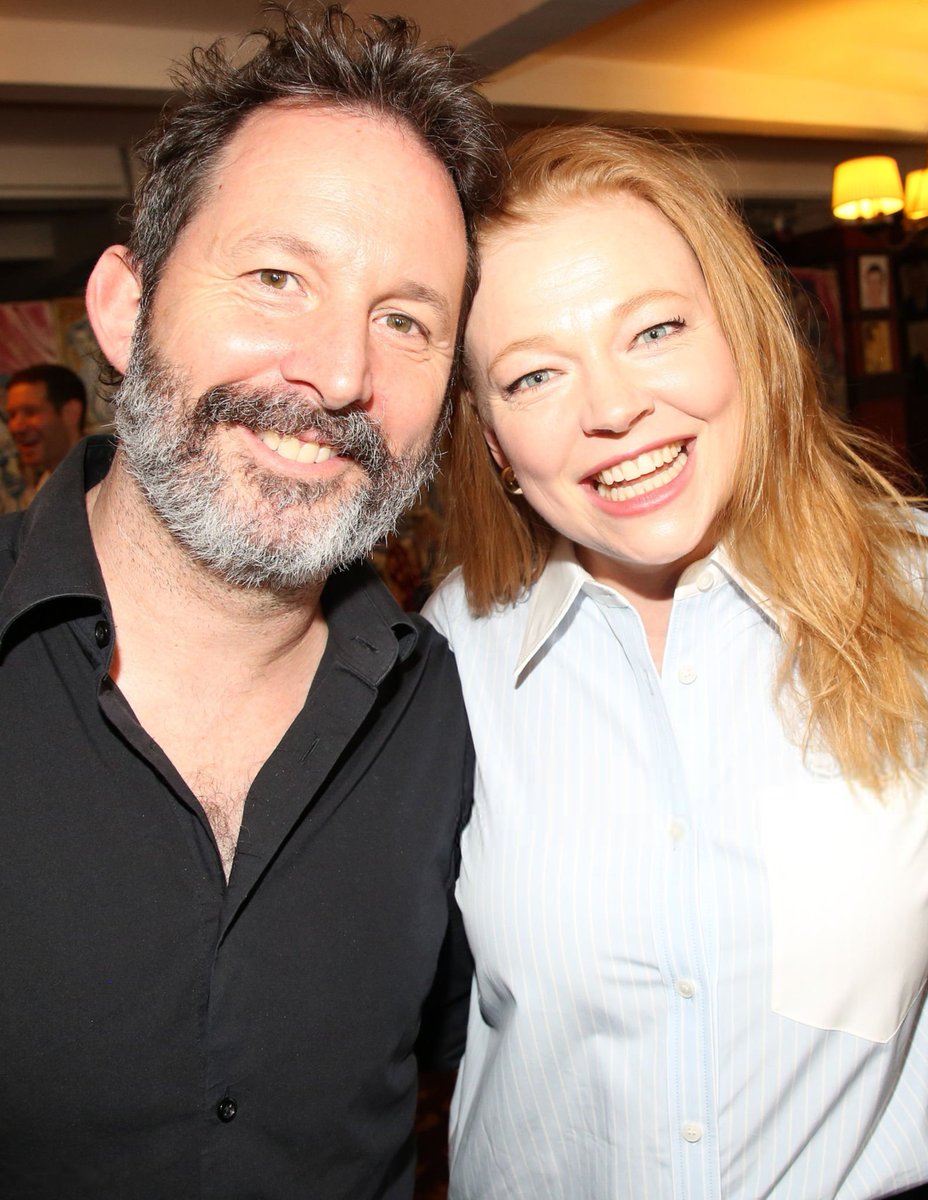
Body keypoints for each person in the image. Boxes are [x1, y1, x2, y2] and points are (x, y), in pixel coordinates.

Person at [0, 7, 503, 1198]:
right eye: (278, 276)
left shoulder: (456, 708)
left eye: (405, 320)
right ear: (123, 309)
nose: (338, 375)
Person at [425, 125, 928, 1199]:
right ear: (492, 440)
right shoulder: (443, 662)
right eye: (534, 377)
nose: (611, 410)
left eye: (653, 330)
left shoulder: (920, 601)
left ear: (741, 331)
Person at [5, 362, 87, 503]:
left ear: (70, 413)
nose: (16, 427)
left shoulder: (104, 481)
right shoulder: (41, 490)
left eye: (31, 412)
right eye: (12, 415)